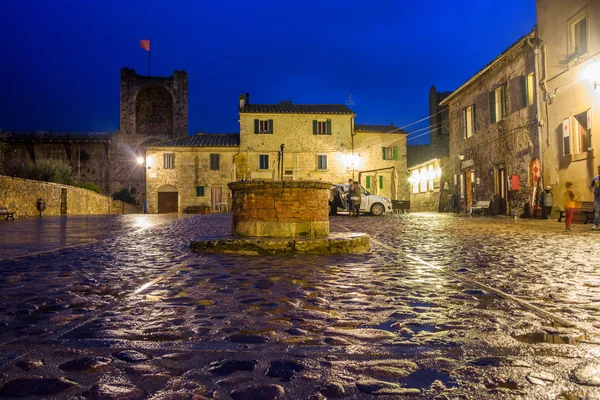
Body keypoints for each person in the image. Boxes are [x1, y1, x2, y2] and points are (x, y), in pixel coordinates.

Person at [590, 165, 600, 230]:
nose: (599, 170)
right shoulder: (595, 178)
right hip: (597, 198)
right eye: (598, 169)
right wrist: (593, 190)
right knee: (597, 211)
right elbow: (591, 185)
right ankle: (596, 224)